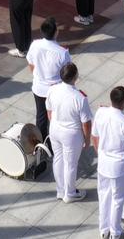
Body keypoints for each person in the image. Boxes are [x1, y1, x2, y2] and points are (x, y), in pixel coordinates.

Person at [91, 86, 124, 239]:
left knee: (103, 196)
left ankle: (104, 230)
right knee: (118, 200)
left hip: (103, 163)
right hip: (119, 167)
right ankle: (115, 233)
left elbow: (95, 137)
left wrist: (100, 153)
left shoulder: (101, 112)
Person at [45, 63, 92, 203]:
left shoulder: (52, 90)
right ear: (75, 77)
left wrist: (56, 124)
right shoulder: (80, 98)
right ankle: (70, 193)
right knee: (70, 164)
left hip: (55, 127)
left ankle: (61, 190)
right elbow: (86, 123)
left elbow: (49, 112)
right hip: (71, 133)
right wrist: (87, 139)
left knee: (58, 160)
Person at [26, 18, 70, 142]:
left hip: (39, 88)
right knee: (55, 118)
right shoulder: (62, 53)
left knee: (41, 117)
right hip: (56, 90)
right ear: (56, 32)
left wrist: (37, 76)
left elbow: (30, 63)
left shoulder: (35, 44)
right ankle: (54, 142)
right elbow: (66, 73)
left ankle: (41, 144)